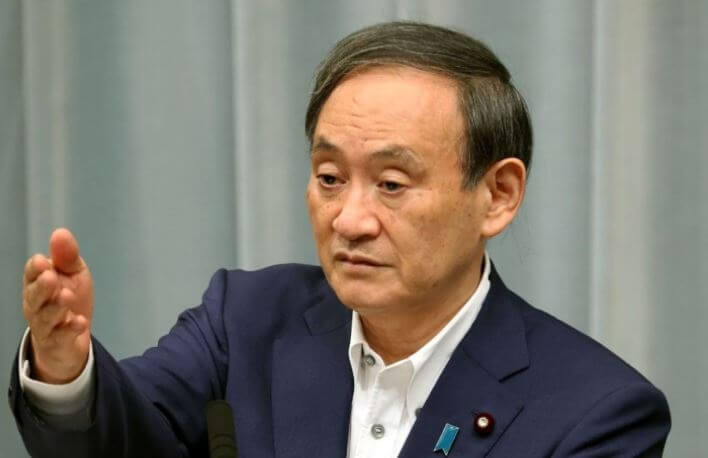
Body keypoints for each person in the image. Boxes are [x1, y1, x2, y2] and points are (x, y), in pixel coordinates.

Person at [10, 21, 670, 457]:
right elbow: (121, 440)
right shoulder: (245, 321)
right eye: (330, 177)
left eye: (391, 184)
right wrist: (65, 368)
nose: (350, 219)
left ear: (497, 194)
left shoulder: (598, 413)